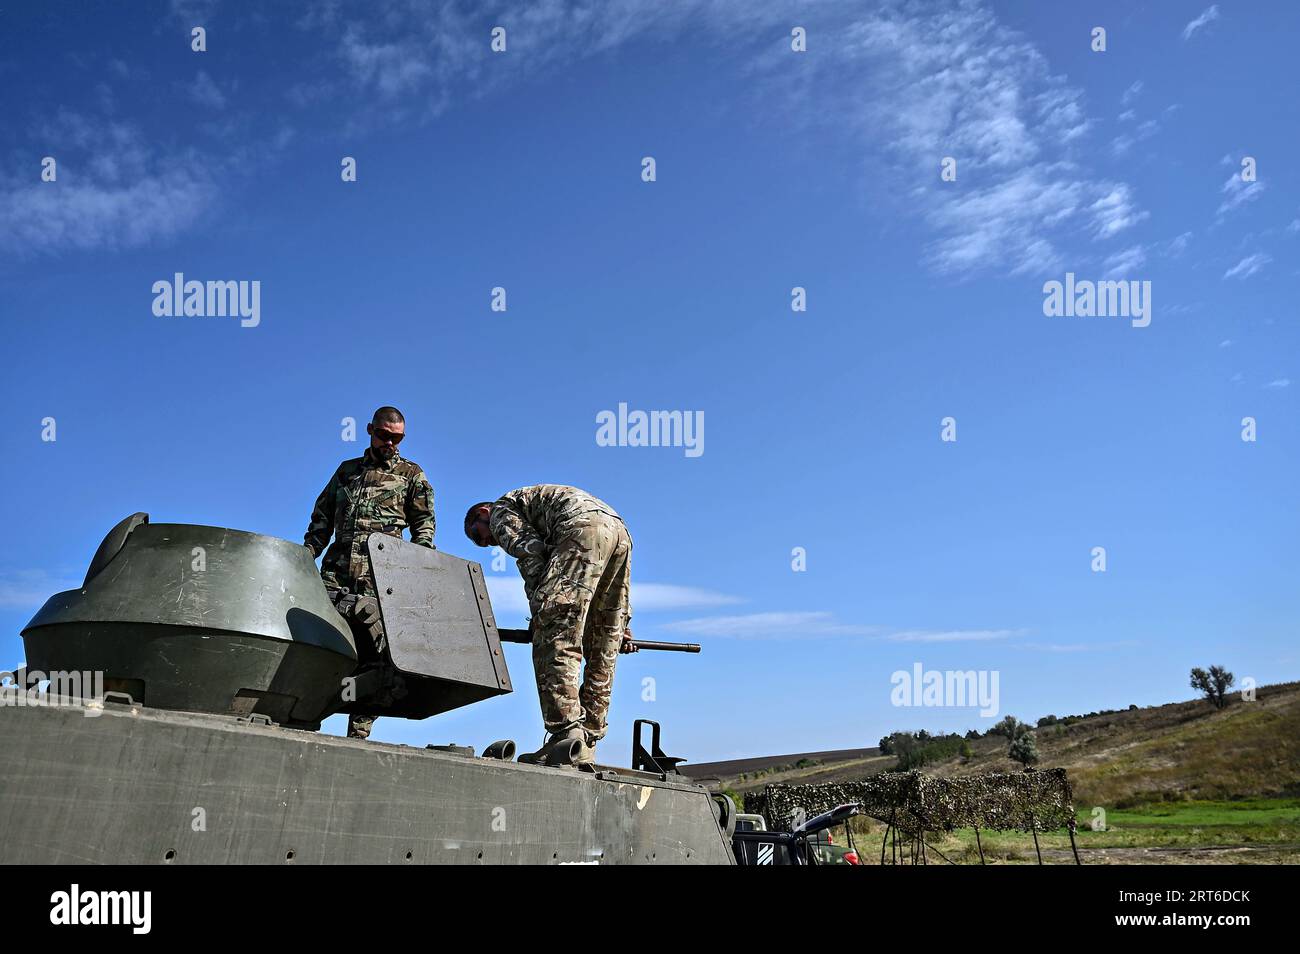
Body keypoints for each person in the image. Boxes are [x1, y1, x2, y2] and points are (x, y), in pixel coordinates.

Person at [464, 485, 633, 765]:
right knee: (605, 643)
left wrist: (541, 612)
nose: (493, 543)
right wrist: (623, 623)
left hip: (578, 528)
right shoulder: (533, 502)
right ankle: (586, 742)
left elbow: (531, 554)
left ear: (483, 514)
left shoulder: (501, 511)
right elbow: (616, 600)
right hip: (618, 531)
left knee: (555, 638)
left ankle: (565, 734)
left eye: (483, 539)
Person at [304, 406, 435, 738]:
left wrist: (415, 569)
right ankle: (305, 716)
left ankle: (358, 735)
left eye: (398, 438)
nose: (391, 443)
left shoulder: (411, 475)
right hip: (335, 574)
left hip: (382, 578)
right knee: (321, 642)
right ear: (370, 431)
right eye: (384, 436)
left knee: (375, 654)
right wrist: (307, 555)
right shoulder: (347, 472)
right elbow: (321, 518)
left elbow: (424, 527)